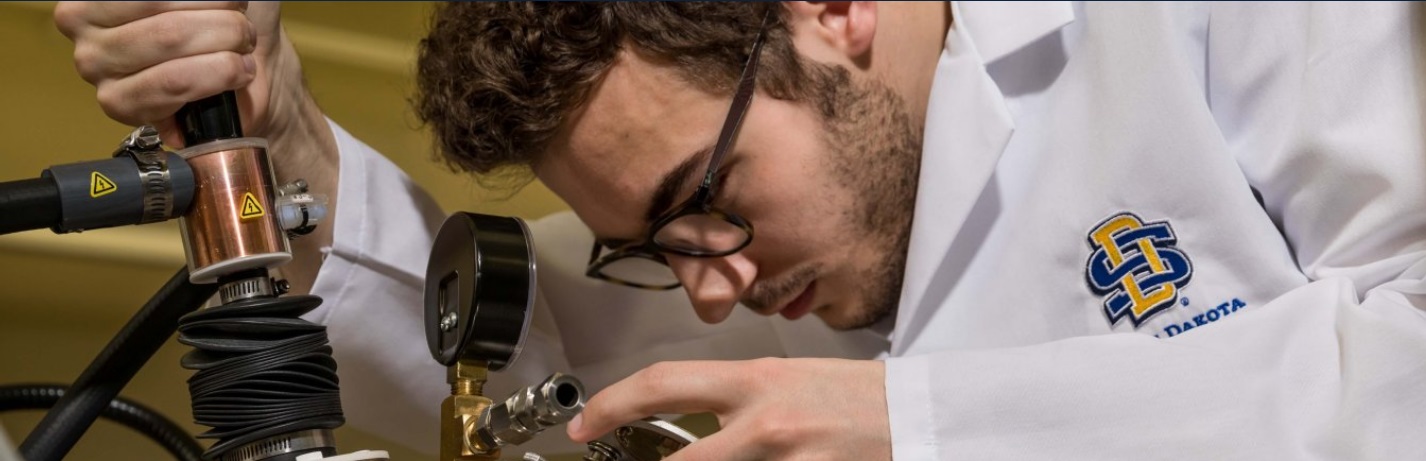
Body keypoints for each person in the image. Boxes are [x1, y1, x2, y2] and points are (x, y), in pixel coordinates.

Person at [56, 1, 1426, 459]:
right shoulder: (732, 249)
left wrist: (916, 420)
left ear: (828, 14)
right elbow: (511, 375)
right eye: (652, 248)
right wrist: (281, 130)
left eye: (703, 207)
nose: (709, 292)